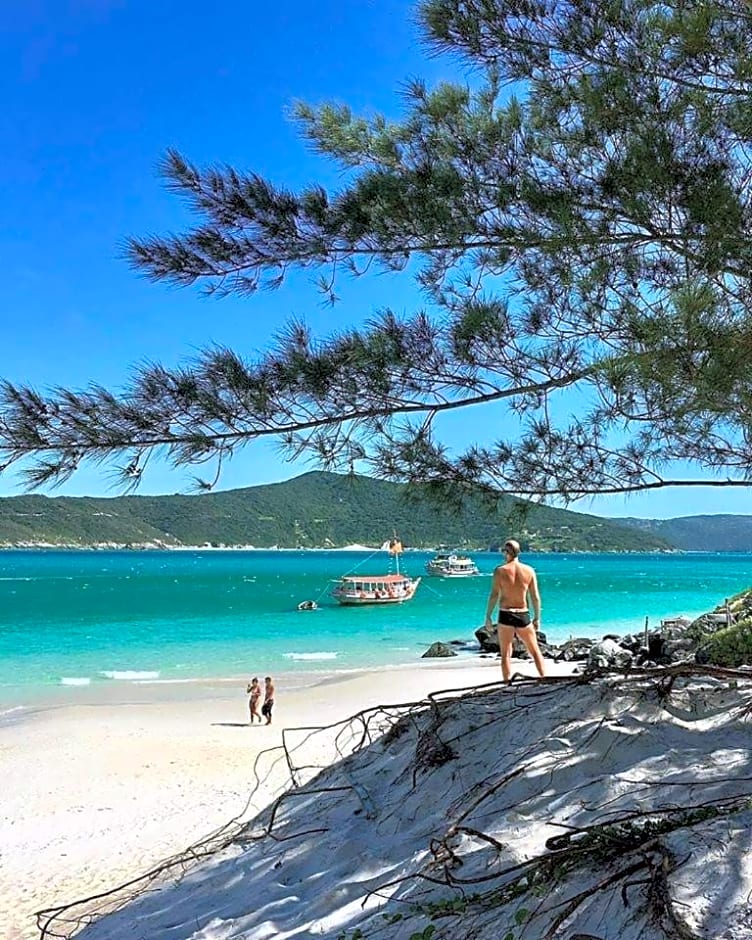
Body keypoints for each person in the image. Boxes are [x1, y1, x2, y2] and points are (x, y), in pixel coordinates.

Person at [484, 539, 546, 682]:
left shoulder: (500, 571)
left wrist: (488, 616)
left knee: (506, 653)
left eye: (503, 551)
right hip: (522, 614)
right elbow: (535, 597)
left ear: (507, 552)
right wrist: (537, 617)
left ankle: (507, 685)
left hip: (506, 613)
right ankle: (544, 679)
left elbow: (494, 595)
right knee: (535, 651)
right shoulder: (529, 570)